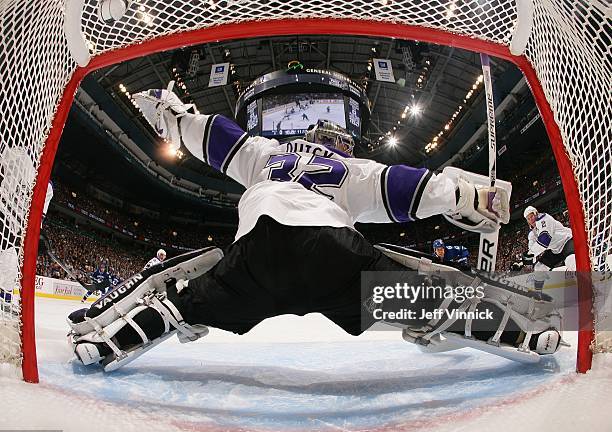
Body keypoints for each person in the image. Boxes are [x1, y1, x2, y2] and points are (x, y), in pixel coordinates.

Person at [67, 88, 562, 371]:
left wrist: (173, 119)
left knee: (186, 303)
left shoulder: (266, 153)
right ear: (341, 146)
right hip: (334, 257)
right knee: (429, 300)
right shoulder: (355, 171)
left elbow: (214, 136)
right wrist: (471, 196)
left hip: (261, 255)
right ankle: (525, 338)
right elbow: (414, 187)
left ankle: (106, 344)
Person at [512, 206, 575, 294]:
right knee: (539, 268)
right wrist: (521, 263)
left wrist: (526, 258)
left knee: (571, 262)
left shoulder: (545, 218)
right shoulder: (532, 234)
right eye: (528, 218)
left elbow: (544, 240)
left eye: (532, 216)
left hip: (567, 241)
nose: (531, 219)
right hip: (555, 250)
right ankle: (539, 295)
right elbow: (531, 255)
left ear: (536, 214)